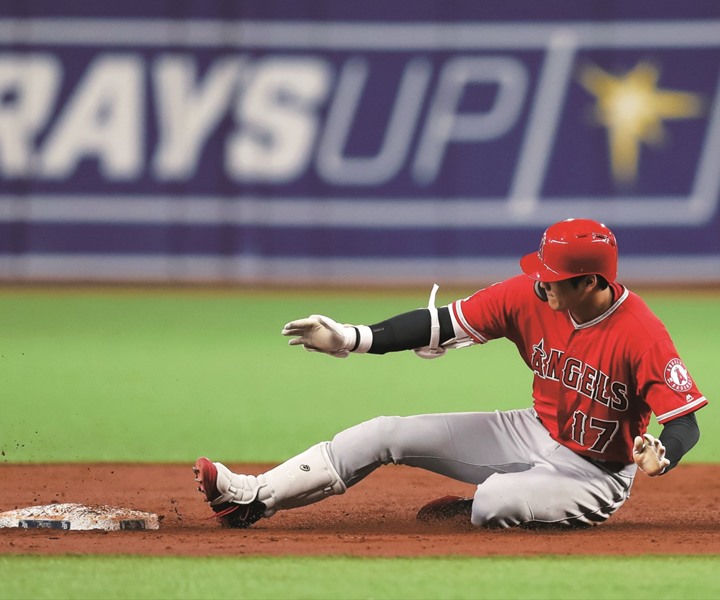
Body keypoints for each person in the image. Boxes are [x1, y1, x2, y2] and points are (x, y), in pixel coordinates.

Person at [193, 218, 707, 529]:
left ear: (591, 281)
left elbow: (685, 421)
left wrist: (664, 453)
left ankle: (489, 505)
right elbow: (439, 324)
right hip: (533, 429)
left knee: (492, 503)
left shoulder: (641, 333)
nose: (540, 283)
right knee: (385, 432)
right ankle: (251, 499)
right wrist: (351, 337)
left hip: (594, 472)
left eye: (554, 277)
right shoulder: (528, 296)